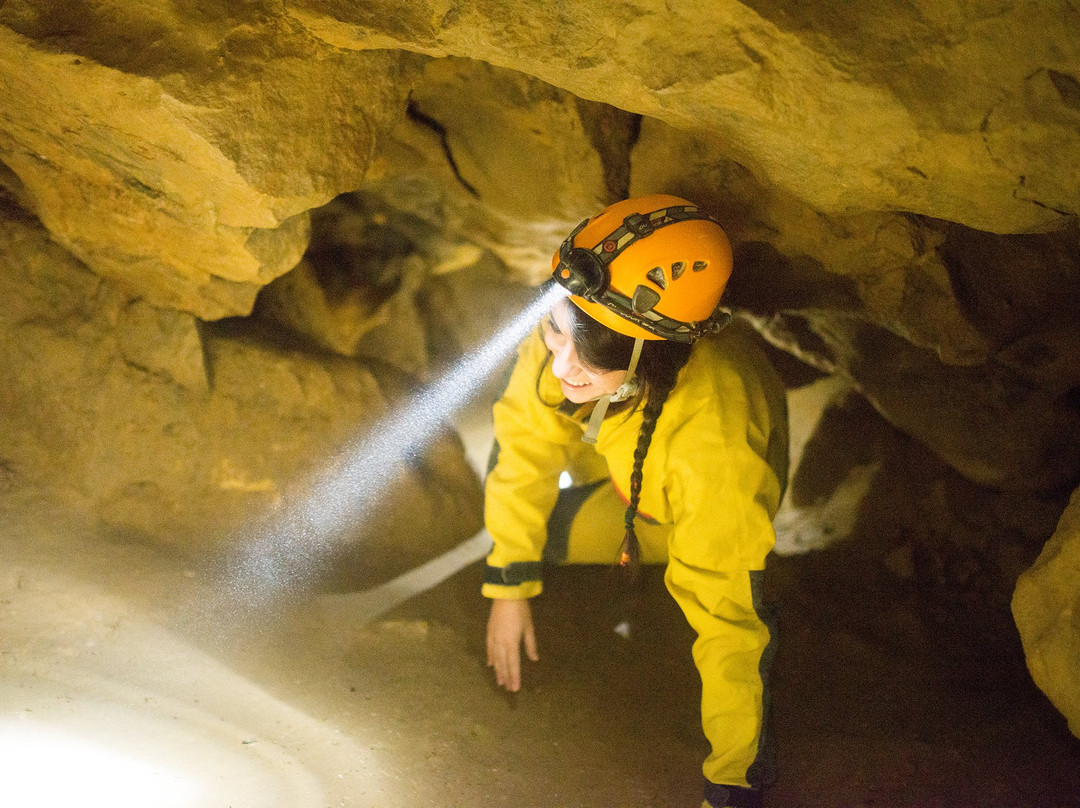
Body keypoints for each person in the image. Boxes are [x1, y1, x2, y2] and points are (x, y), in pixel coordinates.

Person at [482, 194, 788, 808]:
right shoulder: (566, 336)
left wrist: (730, 784)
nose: (560, 359)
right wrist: (509, 587)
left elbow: (729, 618)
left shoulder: (716, 436)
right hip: (626, 454)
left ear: (648, 353)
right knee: (527, 518)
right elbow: (525, 449)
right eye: (554, 330)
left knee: (711, 592)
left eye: (588, 355)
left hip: (674, 505)